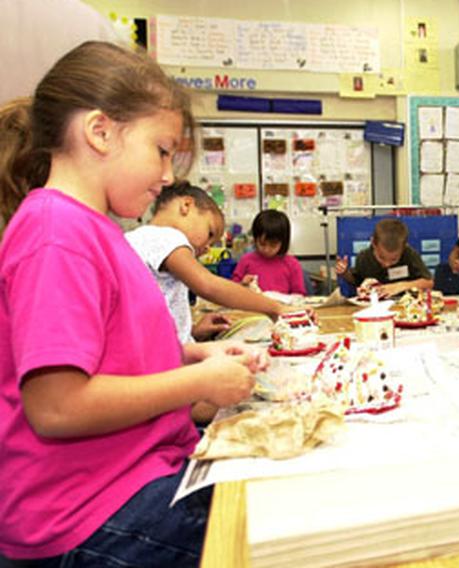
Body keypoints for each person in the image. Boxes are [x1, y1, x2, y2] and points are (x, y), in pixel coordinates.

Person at [0, 41, 262, 565]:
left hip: (132, 484)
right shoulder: (57, 232)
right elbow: (55, 406)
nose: (167, 176)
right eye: (161, 151)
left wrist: (193, 357)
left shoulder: (98, 231)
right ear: (100, 132)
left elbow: (114, 353)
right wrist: (198, 383)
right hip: (91, 515)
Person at [127, 182, 298, 345]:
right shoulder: (166, 237)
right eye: (210, 233)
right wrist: (275, 308)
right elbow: (208, 285)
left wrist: (191, 331)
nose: (207, 248)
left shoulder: (141, 239)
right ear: (186, 206)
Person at [335, 217, 432, 298]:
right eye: (381, 257)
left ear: (403, 248)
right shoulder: (364, 257)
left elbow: (428, 282)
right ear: (373, 243)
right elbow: (357, 280)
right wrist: (345, 273)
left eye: (394, 260)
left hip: (405, 306)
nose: (387, 264)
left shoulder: (409, 254)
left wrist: (400, 286)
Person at [231, 209, 308, 295]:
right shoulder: (246, 261)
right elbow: (233, 290)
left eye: (273, 245)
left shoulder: (292, 264)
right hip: (252, 307)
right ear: (255, 239)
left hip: (281, 307)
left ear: (283, 242)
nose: (267, 249)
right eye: (262, 244)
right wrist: (242, 284)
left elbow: (299, 295)